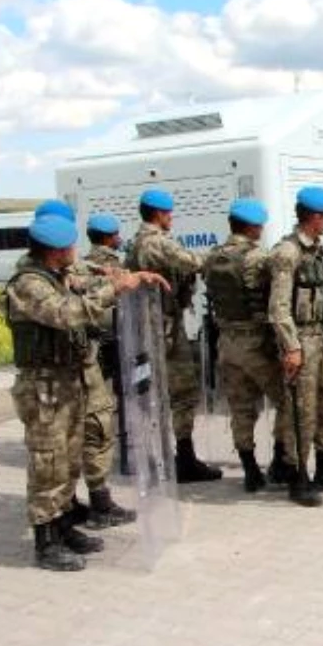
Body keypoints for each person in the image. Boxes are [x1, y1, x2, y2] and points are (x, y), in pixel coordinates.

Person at [8, 213, 166, 571]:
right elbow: (68, 313)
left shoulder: (57, 275)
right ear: (57, 250)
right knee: (49, 462)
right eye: (71, 247)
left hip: (68, 380)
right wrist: (116, 289)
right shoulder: (29, 284)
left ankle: (63, 525)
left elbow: (89, 281)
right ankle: (45, 541)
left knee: (70, 458)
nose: (75, 253)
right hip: (44, 387)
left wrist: (130, 277)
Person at [125, 189, 222, 483]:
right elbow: (191, 261)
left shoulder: (141, 241)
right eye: (169, 213)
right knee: (180, 392)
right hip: (162, 328)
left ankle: (176, 455)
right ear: (159, 214)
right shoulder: (154, 243)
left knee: (169, 392)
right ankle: (180, 458)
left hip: (160, 324)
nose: (171, 218)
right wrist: (223, 255)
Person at [268, 186, 323, 507]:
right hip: (299, 339)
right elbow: (278, 306)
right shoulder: (287, 253)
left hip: (320, 337)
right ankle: (297, 475)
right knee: (301, 408)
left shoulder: (320, 251)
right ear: (313, 217)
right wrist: (291, 347)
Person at [201, 199, 283, 492]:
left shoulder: (212, 257)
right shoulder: (257, 258)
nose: (261, 229)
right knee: (287, 401)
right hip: (256, 343)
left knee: (241, 408)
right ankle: (280, 462)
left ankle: (250, 470)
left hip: (226, 343)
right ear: (251, 226)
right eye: (259, 224)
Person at [78, 212, 136, 527]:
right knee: (107, 411)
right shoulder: (114, 266)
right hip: (113, 342)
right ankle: (102, 496)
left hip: (93, 346)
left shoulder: (82, 265)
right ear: (111, 236)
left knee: (100, 413)